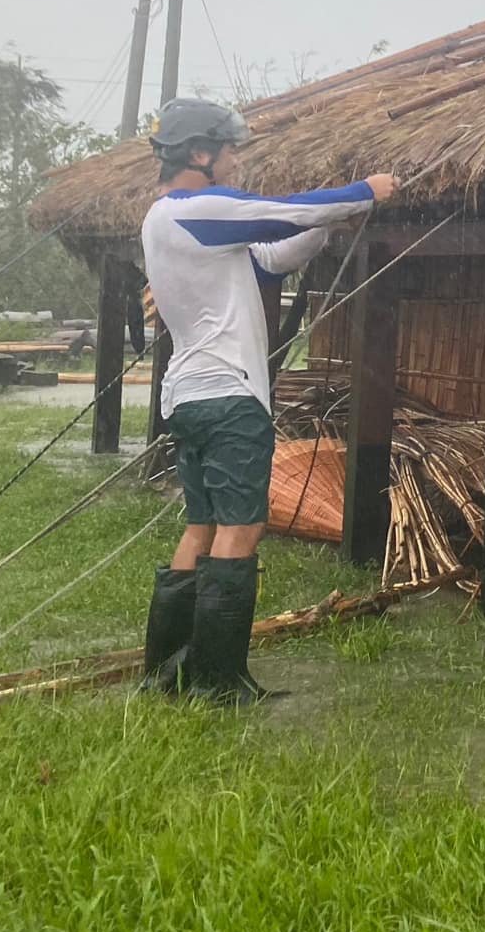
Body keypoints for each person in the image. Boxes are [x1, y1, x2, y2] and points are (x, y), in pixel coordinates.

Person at [137, 98, 396, 703]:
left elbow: (271, 253)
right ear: (199, 153)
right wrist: (367, 191)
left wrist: (327, 226)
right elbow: (280, 215)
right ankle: (219, 685)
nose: (234, 158)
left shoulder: (170, 221)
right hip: (229, 397)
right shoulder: (198, 207)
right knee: (242, 528)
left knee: (200, 527)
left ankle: (166, 672)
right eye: (227, 149)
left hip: (191, 396)